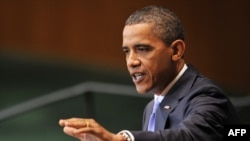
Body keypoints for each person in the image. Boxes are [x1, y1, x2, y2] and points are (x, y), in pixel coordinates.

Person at [59, 5, 240, 141]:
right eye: (127, 51)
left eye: (143, 49)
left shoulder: (207, 96)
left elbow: (189, 136)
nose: (131, 61)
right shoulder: (151, 108)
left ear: (176, 51)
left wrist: (124, 139)